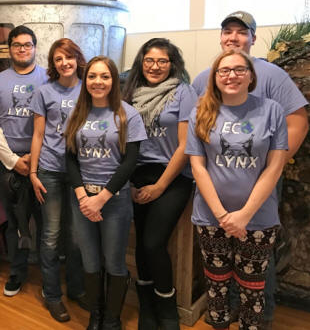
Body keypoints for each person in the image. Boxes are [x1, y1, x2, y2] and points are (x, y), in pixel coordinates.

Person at [192, 11, 308, 327]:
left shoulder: (273, 76)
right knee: (219, 267)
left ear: (253, 38)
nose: (233, 37)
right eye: (227, 31)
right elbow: (193, 131)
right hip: (214, 189)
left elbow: (297, 122)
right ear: (220, 38)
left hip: (260, 181)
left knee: (255, 265)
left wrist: (271, 165)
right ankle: (226, 310)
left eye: (241, 32)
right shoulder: (203, 78)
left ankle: (259, 317)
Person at [186, 49, 288, 330]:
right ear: (215, 77)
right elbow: (198, 167)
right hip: (211, 217)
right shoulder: (201, 111)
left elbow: (274, 167)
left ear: (250, 76)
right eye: (224, 70)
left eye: (239, 69)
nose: (232, 75)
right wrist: (222, 215)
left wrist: (243, 215)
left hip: (258, 218)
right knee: (216, 288)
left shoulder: (272, 110)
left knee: (252, 291)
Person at [64, 56, 147, 330]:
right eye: (92, 76)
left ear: (114, 80)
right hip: (82, 200)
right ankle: (95, 315)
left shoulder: (127, 114)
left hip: (114, 201)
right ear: (85, 81)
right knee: (89, 261)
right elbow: (70, 158)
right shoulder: (77, 113)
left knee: (114, 262)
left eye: (104, 76)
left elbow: (130, 162)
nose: (98, 82)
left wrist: (101, 199)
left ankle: (112, 320)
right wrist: (83, 198)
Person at [122, 38, 197, 330]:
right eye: (149, 60)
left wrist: (161, 186)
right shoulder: (129, 93)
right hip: (137, 173)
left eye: (162, 61)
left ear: (172, 64)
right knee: (142, 243)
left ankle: (167, 309)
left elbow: (185, 145)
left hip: (172, 175)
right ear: (141, 63)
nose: (155, 66)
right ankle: (147, 307)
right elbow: (123, 142)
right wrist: (127, 182)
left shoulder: (183, 92)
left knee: (153, 243)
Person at [0, 25, 47, 297]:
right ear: (9, 49)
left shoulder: (48, 78)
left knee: (46, 223)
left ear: (35, 47)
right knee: (14, 222)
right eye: (17, 44)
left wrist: (34, 158)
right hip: (7, 165)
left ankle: (48, 278)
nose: (22, 49)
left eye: (27, 44)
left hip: (43, 162)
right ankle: (17, 273)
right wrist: (11, 159)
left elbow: (55, 120)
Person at [29, 38, 87, 322]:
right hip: (50, 170)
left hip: (81, 172)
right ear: (53, 64)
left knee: (76, 237)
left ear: (77, 59)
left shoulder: (89, 88)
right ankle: (52, 294)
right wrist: (33, 172)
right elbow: (38, 134)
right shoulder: (44, 92)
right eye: (58, 59)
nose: (65, 63)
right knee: (51, 237)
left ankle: (76, 289)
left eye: (69, 57)